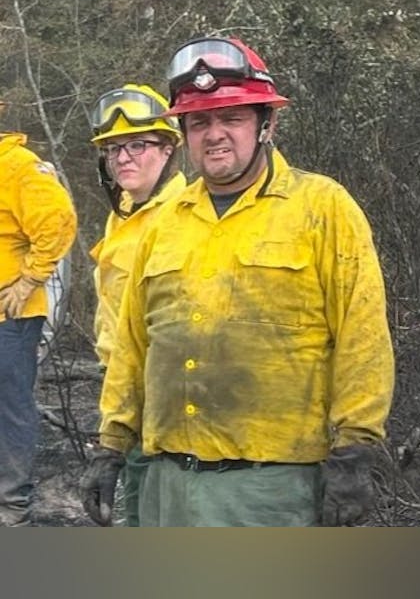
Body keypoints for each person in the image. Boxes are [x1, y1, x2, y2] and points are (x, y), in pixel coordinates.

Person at [80, 37, 395, 527]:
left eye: (232, 118)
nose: (215, 134)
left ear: (267, 123)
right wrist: (110, 446)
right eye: (200, 121)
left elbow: (363, 337)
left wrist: (355, 449)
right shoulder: (164, 223)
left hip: (272, 488)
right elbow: (132, 348)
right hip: (167, 483)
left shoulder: (322, 208)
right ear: (183, 132)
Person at [87, 83, 185, 526]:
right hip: (123, 392)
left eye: (137, 145)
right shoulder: (125, 212)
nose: (123, 158)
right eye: (113, 149)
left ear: (168, 149)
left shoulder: (179, 217)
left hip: (161, 402)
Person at [0, 99, 77, 526]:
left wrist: (31, 279)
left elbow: (58, 219)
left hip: (9, 315)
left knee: (8, 407)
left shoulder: (16, 165)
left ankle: (11, 506)